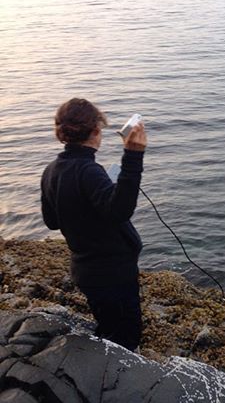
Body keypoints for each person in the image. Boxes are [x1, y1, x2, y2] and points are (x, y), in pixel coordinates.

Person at [40, 98, 147, 351]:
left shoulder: (51, 170)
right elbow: (120, 212)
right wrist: (133, 156)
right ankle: (110, 386)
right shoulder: (88, 171)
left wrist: (88, 202)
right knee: (125, 338)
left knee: (109, 328)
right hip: (112, 274)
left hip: (88, 272)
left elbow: (52, 221)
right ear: (96, 131)